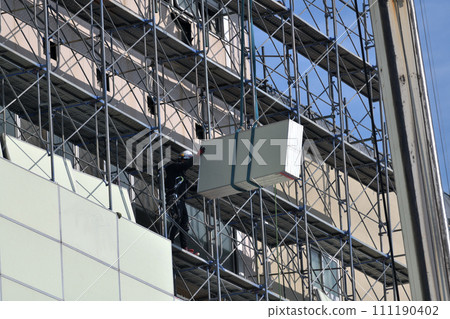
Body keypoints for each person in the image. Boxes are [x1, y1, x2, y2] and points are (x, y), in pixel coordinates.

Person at [165, 149, 195, 252]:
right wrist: (197, 156)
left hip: (180, 199)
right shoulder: (172, 167)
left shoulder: (182, 175)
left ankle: (184, 246)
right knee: (176, 219)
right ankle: (169, 240)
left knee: (184, 222)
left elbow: (192, 187)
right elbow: (184, 166)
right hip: (173, 197)